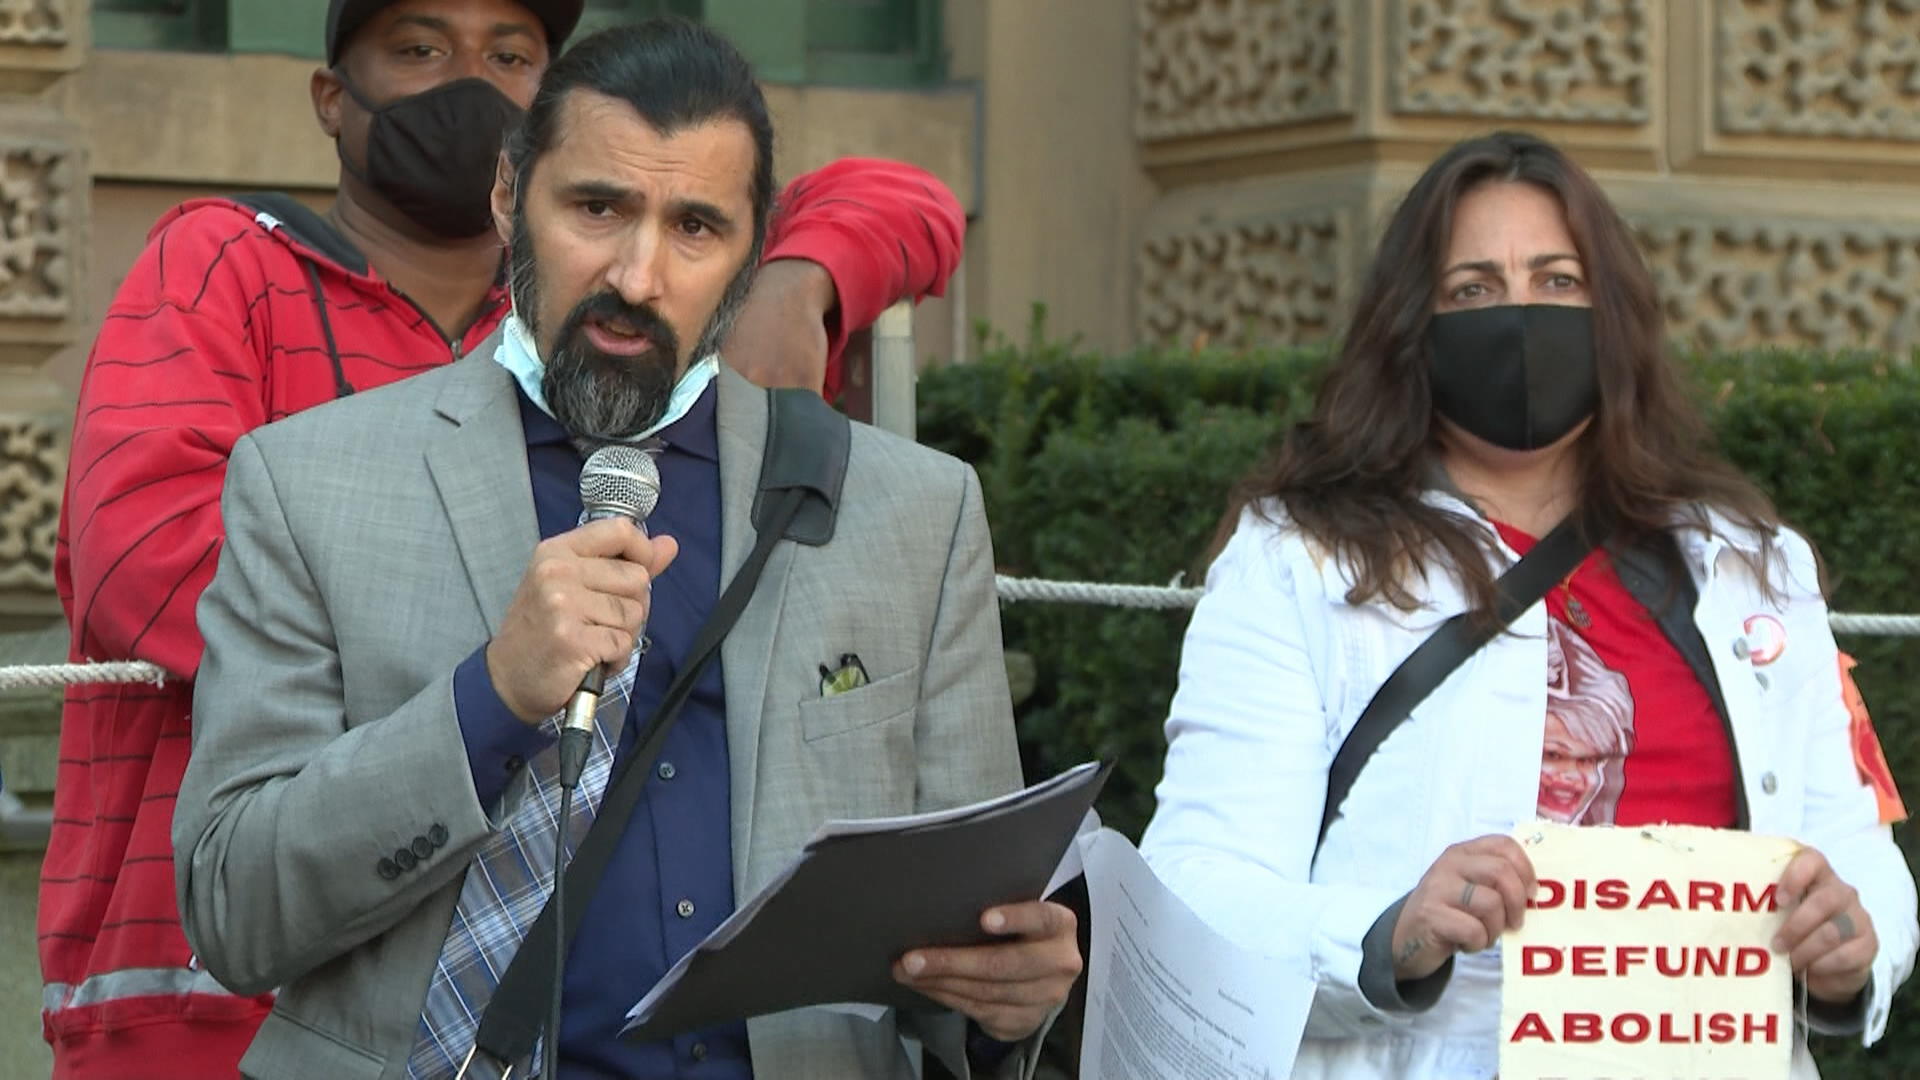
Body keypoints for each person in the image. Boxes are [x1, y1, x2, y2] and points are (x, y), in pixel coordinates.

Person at [39, 0, 966, 1074]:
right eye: (420, 49)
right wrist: (490, 665)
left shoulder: (602, 335)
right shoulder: (225, 263)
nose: (469, 81)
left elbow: (907, 196)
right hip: (194, 1002)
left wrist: (799, 278)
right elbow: (145, 565)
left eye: (511, 54)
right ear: (333, 97)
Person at [1138, 130, 1918, 1078]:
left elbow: (1859, 853)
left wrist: (1852, 943)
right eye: (1473, 289)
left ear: (1613, 311)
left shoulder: (1753, 569)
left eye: (1558, 280)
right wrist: (1388, 932)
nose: (1519, 316)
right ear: (1411, 326)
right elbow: (1198, 885)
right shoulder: (1299, 559)